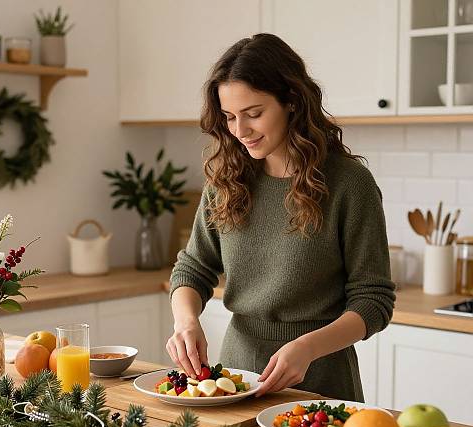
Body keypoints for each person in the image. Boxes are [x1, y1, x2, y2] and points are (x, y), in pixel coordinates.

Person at [166, 33, 395, 401]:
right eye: (229, 118)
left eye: (254, 114)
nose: (240, 131)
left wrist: (308, 347)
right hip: (234, 376)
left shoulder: (349, 184)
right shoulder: (227, 179)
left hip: (321, 380)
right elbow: (193, 268)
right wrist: (186, 321)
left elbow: (374, 300)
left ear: (291, 101)